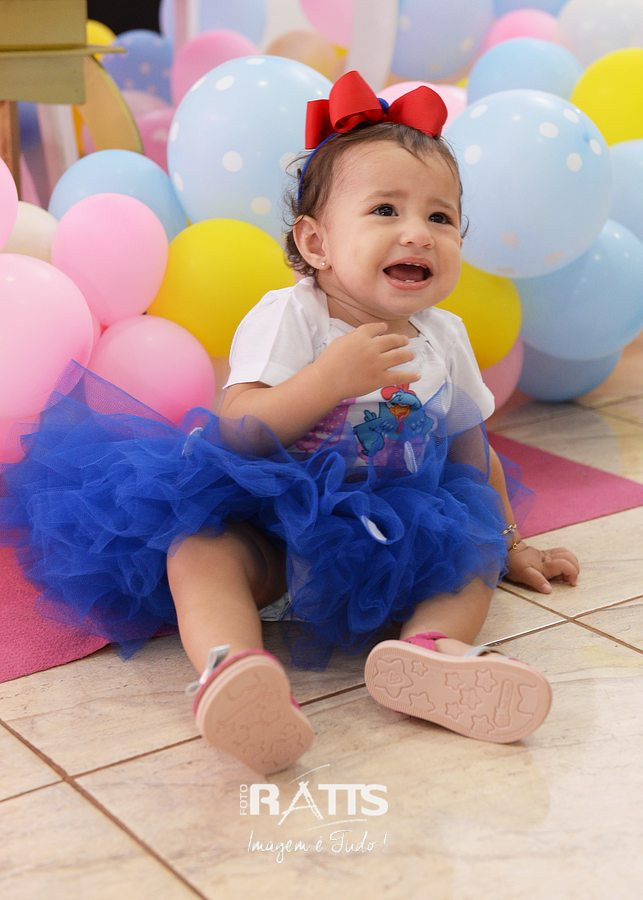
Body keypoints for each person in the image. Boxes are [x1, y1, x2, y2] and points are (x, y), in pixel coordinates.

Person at [0, 72, 579, 776]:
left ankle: (431, 654)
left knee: (467, 553)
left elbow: (468, 449)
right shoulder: (292, 317)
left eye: (440, 217)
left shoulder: (444, 335)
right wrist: (328, 379)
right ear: (316, 242)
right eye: (385, 210)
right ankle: (233, 669)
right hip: (268, 520)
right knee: (198, 549)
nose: (417, 234)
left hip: (390, 533)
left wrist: (509, 539)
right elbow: (238, 429)